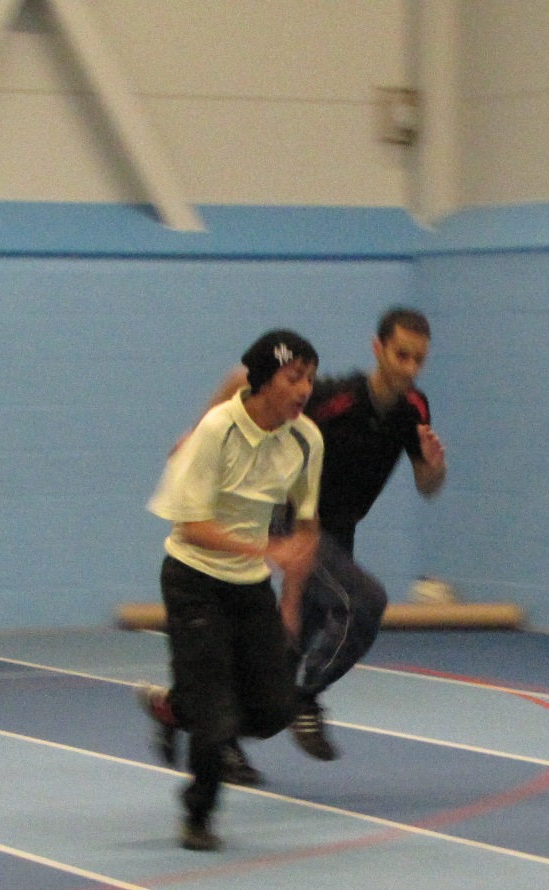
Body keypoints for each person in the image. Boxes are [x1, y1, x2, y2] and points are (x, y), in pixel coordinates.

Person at [166, 308, 446, 764]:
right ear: (378, 350)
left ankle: (212, 731)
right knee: (363, 602)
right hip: (295, 523)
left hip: (340, 534)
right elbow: (242, 378)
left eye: (419, 360)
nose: (410, 368)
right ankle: (306, 699)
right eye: (401, 356)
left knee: (284, 652)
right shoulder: (336, 398)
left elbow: (427, 486)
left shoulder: (414, 409)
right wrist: (195, 433)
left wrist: (435, 468)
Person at [142, 330, 322, 851]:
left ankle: (183, 707)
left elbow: (306, 527)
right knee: (217, 715)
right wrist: (265, 549)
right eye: (294, 378)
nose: (305, 389)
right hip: (194, 579)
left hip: (250, 589)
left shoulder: (306, 439)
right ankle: (198, 815)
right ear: (264, 380)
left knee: (272, 709)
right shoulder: (217, 431)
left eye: (310, 378)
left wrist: (289, 601)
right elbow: (191, 525)